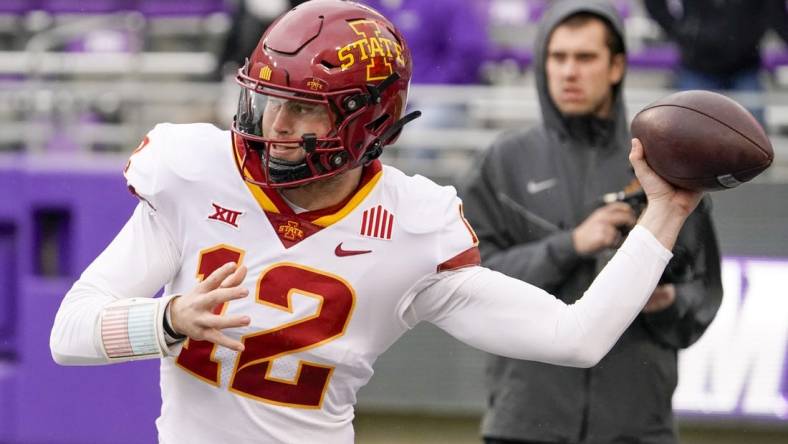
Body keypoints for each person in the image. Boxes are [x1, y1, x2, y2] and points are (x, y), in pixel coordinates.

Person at [50, 1, 705, 442]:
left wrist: (668, 210)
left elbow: (577, 337)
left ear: (364, 120)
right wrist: (166, 320)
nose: (274, 127)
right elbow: (69, 332)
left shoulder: (413, 228)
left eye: (303, 109)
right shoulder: (196, 173)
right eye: (267, 99)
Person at [461, 1, 723, 443]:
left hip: (637, 425)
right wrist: (571, 245)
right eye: (557, 57)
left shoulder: (661, 162)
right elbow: (467, 283)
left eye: (585, 58)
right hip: (525, 423)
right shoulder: (503, 162)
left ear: (617, 65)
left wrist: (666, 301)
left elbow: (705, 292)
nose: (568, 72)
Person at [644, 0, 788, 126]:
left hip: (745, 66)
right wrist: (679, 31)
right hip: (698, 66)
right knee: (691, 134)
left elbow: (776, 12)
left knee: (754, 143)